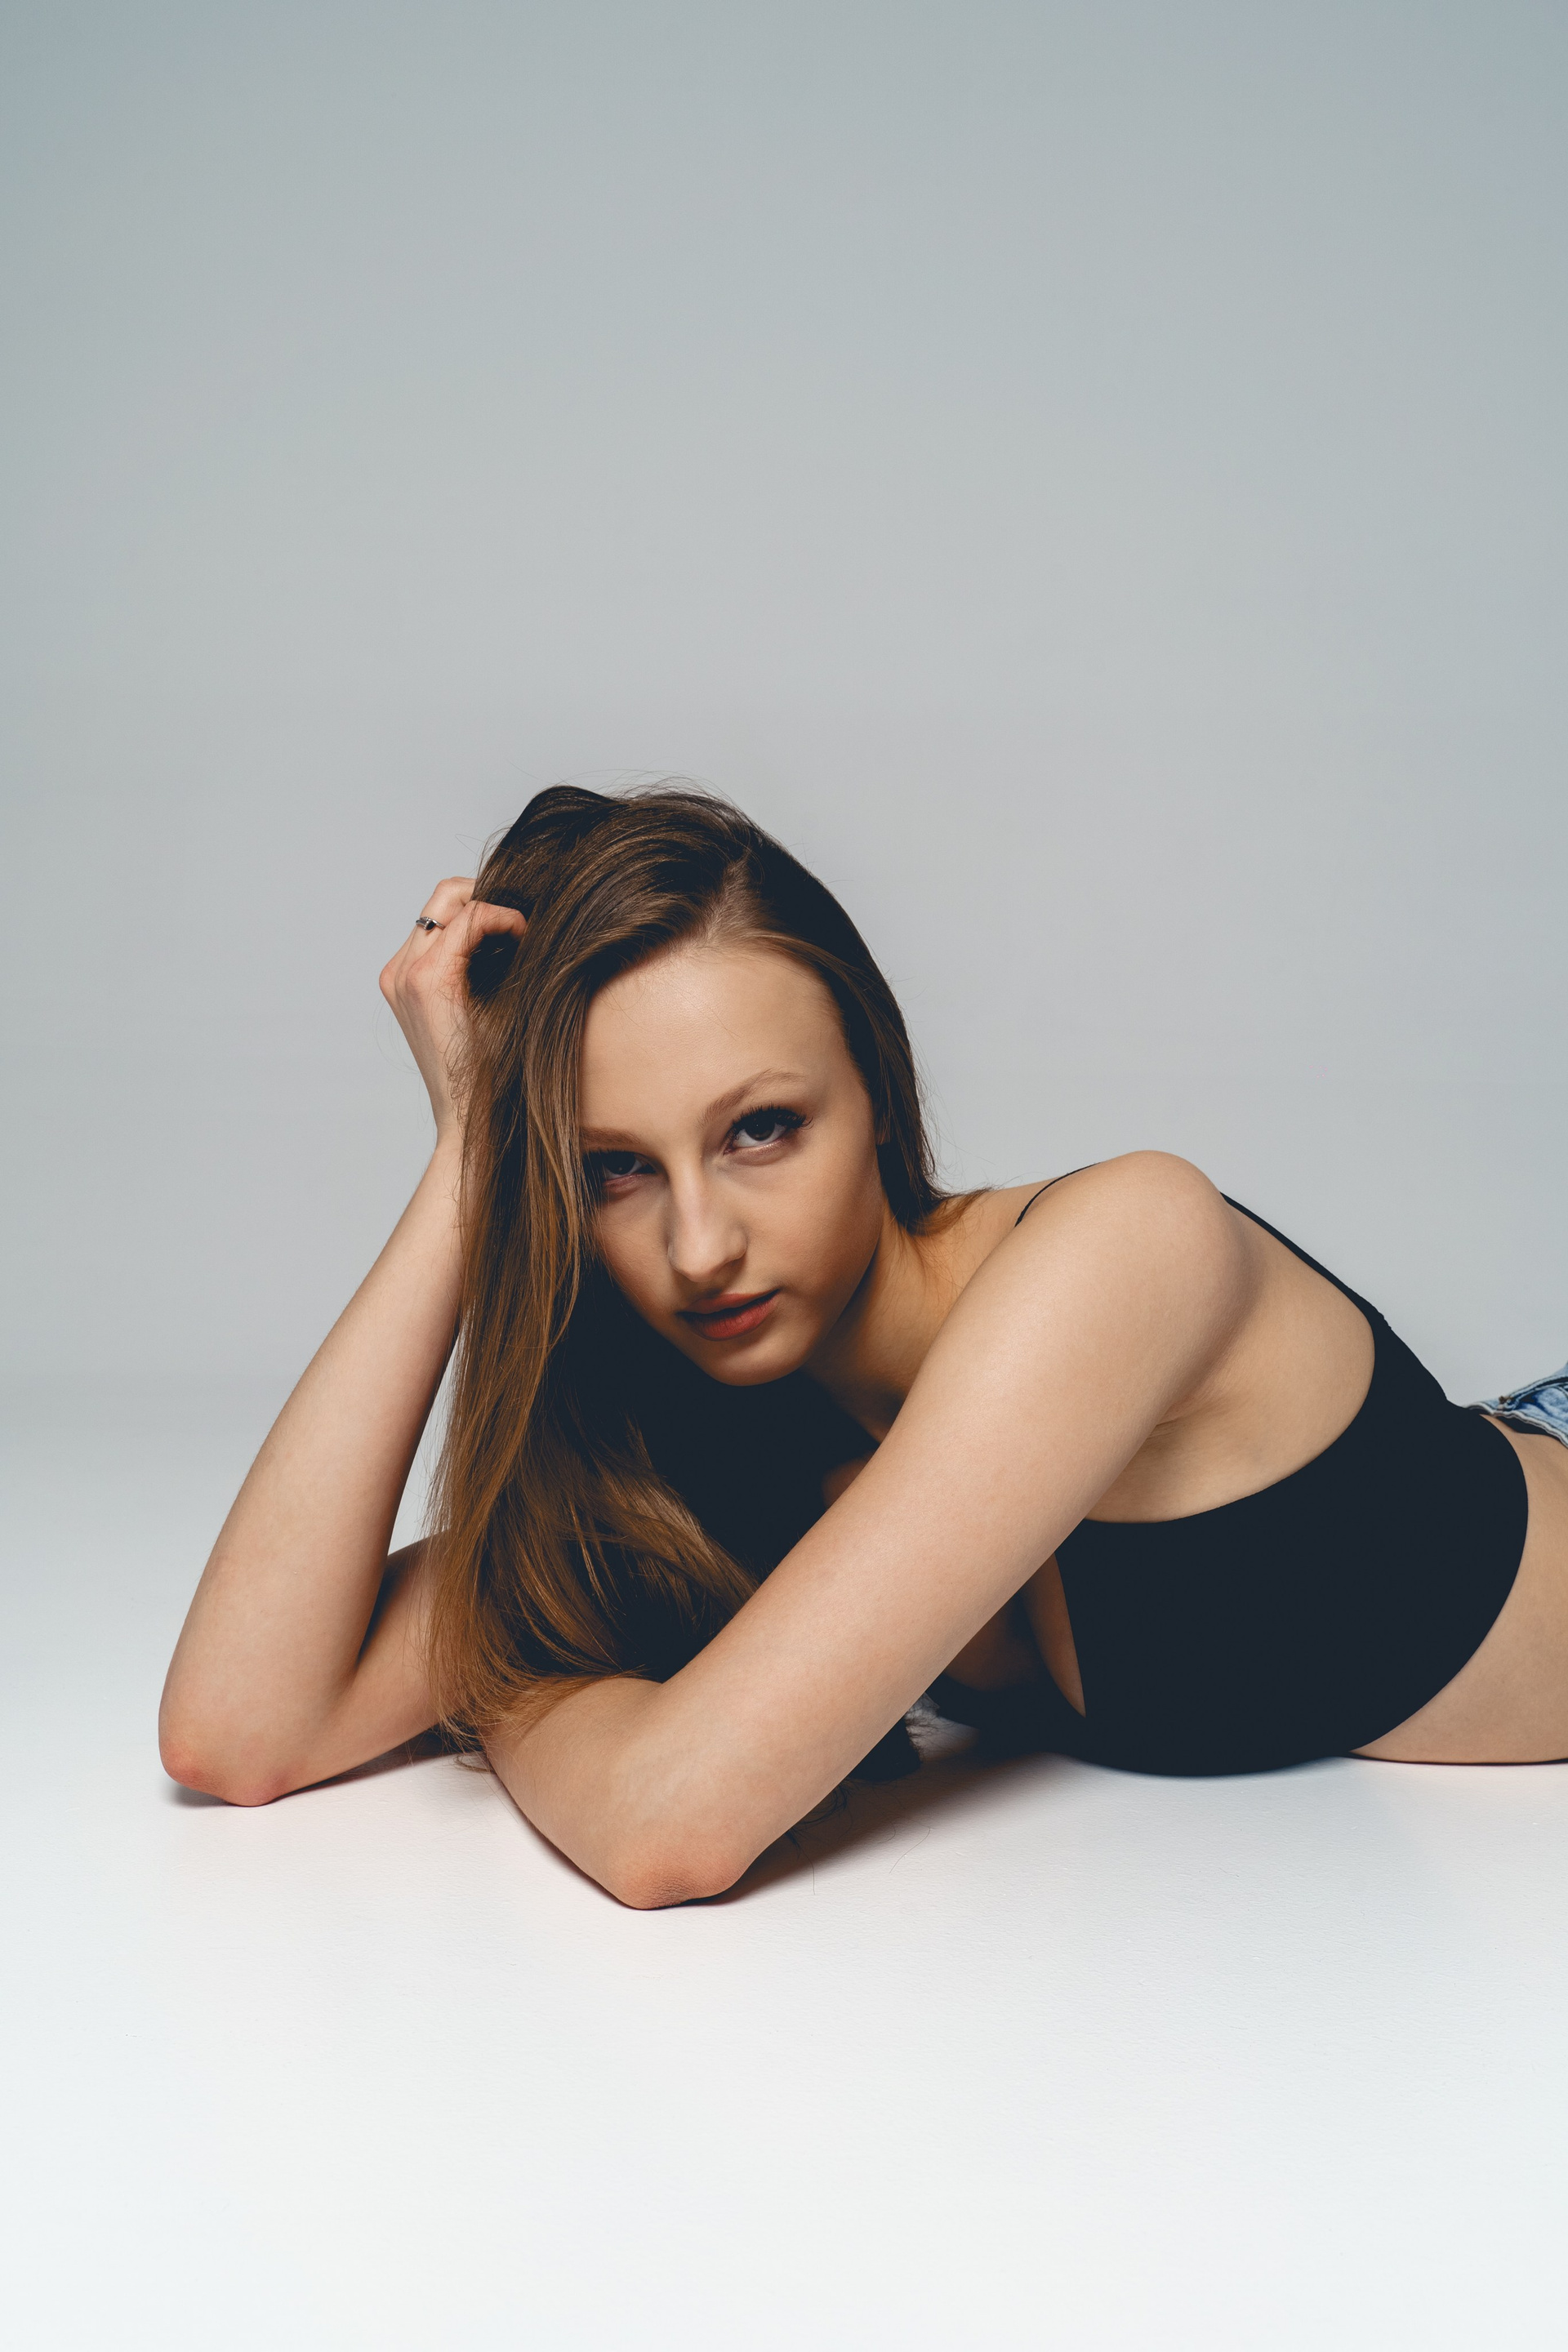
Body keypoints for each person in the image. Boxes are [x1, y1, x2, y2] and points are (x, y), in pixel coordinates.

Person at [159, 785, 1568, 1906]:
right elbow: (240, 1729)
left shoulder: (1129, 1246)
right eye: (614, 1170)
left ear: (879, 1096)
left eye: (761, 1129)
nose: (699, 1247)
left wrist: (523, 1677)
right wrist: (474, 1157)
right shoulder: (717, 1427)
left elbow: (668, 1823)